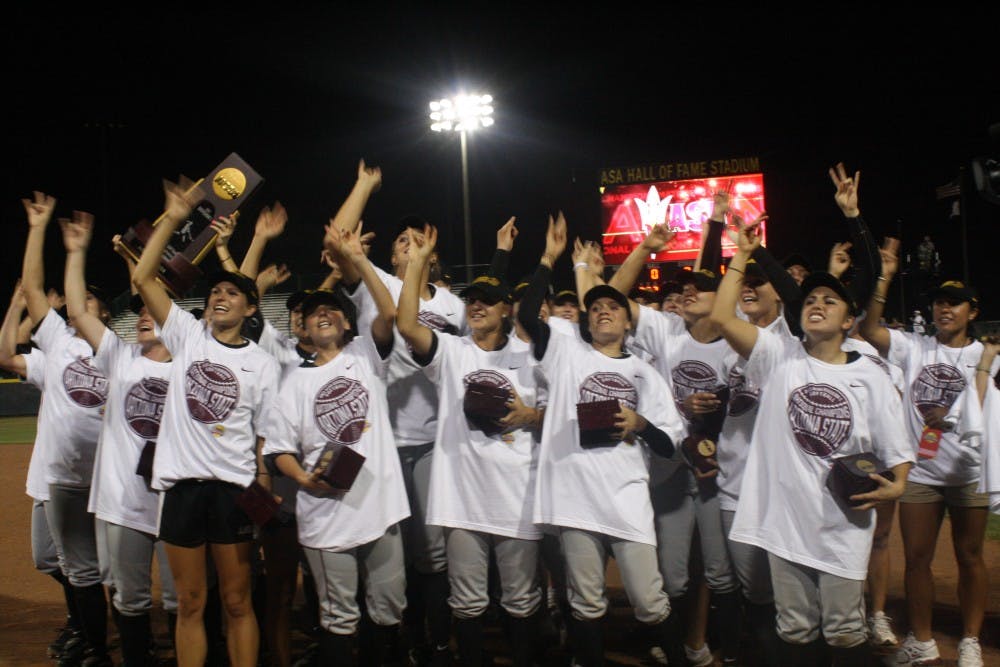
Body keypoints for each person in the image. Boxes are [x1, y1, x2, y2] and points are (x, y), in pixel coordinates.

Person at [711, 219, 913, 666]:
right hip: (785, 523)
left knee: (843, 630)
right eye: (812, 299)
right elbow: (723, 317)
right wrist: (743, 256)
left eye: (830, 300)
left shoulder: (869, 374)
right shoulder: (778, 357)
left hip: (841, 522)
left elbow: (897, 448)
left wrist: (897, 485)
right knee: (795, 629)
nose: (818, 304)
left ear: (848, 319)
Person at [517, 214, 688, 667]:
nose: (603, 311)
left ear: (628, 323)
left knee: (650, 600)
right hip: (576, 500)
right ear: (586, 322)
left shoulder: (644, 374)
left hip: (626, 497)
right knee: (586, 602)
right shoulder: (567, 351)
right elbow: (526, 313)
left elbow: (672, 443)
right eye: (594, 309)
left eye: (612, 307)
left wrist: (640, 424)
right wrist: (549, 258)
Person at [132, 178, 281, 667]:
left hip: (233, 490)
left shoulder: (261, 363)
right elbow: (144, 278)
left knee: (238, 603)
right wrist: (174, 218)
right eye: (215, 291)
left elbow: (263, 438)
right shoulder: (187, 334)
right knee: (191, 603)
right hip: (182, 489)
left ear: (250, 309)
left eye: (231, 293)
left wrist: (261, 493)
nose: (220, 296)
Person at [329, 161, 465, 663]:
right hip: (379, 442)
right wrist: (363, 184)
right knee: (382, 547)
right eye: (400, 240)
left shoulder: (453, 305)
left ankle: (433, 642)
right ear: (388, 255)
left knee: (431, 552)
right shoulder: (374, 284)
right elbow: (339, 240)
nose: (409, 243)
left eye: (417, 238)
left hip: (434, 441)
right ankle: (389, 641)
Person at [262, 222, 409, 666]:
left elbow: (389, 314)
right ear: (303, 329)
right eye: (312, 313)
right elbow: (277, 450)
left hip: (380, 507)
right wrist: (302, 477)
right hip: (327, 514)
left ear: (347, 322)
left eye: (331, 310)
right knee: (339, 615)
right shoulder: (294, 383)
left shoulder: (366, 355)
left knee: (389, 607)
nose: (322, 314)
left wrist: (359, 260)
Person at [397, 221, 545, 666]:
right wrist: (419, 262)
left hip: (517, 495)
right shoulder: (451, 351)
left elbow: (562, 413)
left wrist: (531, 415)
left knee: (520, 598)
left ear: (507, 310)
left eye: (487, 301)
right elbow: (406, 323)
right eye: (472, 300)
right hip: (462, 499)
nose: (477, 306)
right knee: (466, 600)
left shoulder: (532, 356)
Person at [861, 245, 998, 667]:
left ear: (972, 311)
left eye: (953, 303)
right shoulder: (914, 347)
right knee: (917, 559)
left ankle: (971, 640)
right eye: (939, 302)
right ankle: (922, 639)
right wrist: (884, 276)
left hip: (969, 471)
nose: (944, 309)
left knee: (970, 557)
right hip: (921, 470)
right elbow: (869, 329)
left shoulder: (987, 356)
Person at [60, 212, 180, 666]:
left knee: (177, 600)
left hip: (172, 499)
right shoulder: (120, 355)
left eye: (154, 311)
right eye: (141, 312)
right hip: (125, 502)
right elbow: (75, 311)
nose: (144, 316)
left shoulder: (191, 362)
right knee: (129, 599)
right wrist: (75, 253)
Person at [19, 195, 114, 667]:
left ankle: (95, 638)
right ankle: (89, 631)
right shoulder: (57, 341)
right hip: (63, 475)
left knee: (99, 571)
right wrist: (37, 229)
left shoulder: (115, 349)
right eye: (81, 299)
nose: (82, 306)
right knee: (67, 566)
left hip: (106, 477)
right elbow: (35, 289)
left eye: (92, 301)